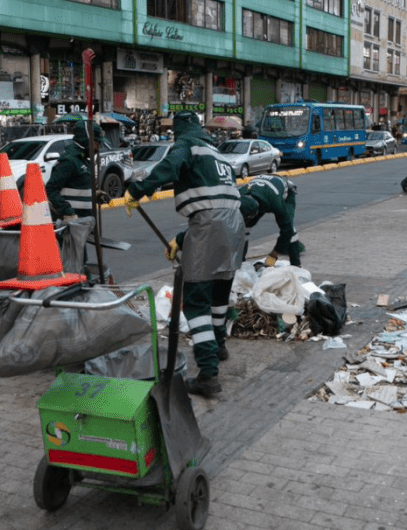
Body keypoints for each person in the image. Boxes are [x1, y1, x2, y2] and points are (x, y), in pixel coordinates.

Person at [124, 111, 245, 397]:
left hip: (210, 225)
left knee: (195, 301)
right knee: (218, 294)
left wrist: (138, 190)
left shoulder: (186, 144)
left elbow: (170, 167)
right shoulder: (215, 150)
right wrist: (183, 239)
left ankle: (208, 373)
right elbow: (214, 199)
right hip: (235, 225)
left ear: (179, 130)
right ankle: (218, 346)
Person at [237, 174, 302, 267]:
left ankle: (296, 267)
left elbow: (287, 230)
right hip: (259, 193)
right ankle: (240, 263)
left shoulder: (276, 202)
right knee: (244, 230)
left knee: (290, 231)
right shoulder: (238, 195)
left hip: (285, 193)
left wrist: (273, 255)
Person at [45, 121, 97, 221]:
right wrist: (68, 211)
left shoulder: (83, 160)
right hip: (74, 221)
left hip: (85, 219)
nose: (99, 148)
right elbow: (50, 189)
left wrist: (94, 194)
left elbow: (79, 186)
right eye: (97, 143)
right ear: (87, 140)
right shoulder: (69, 161)